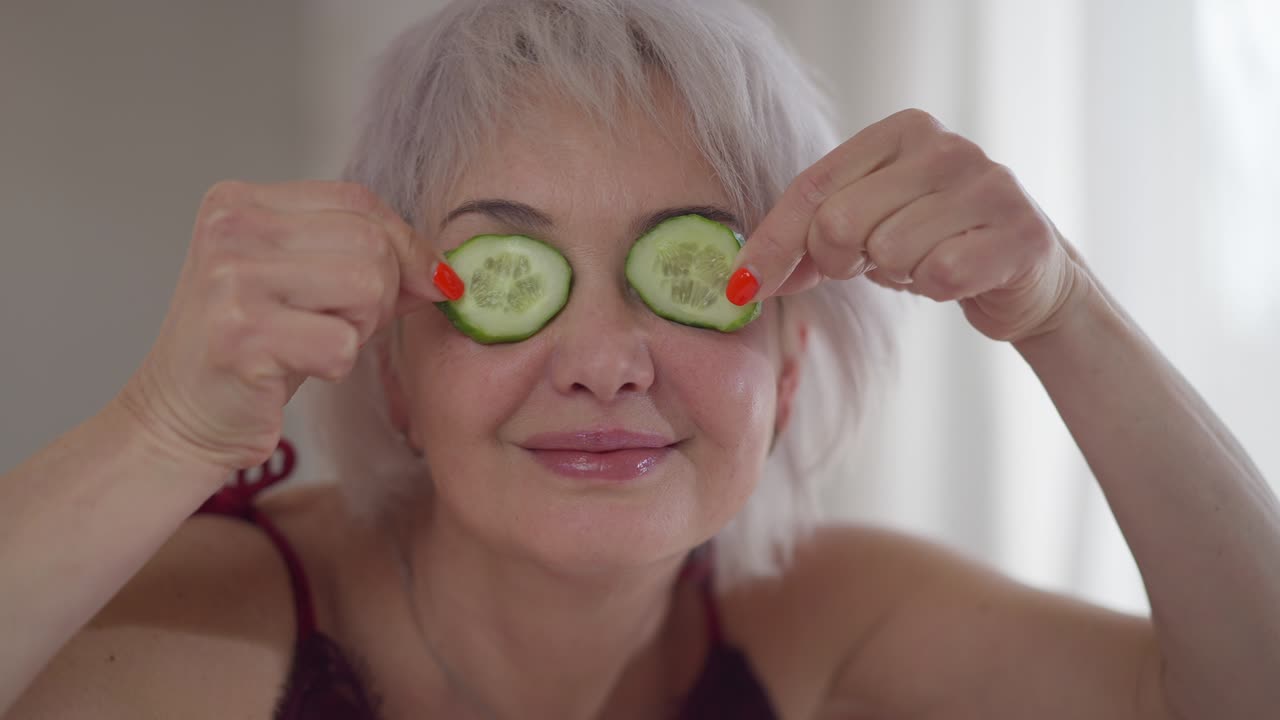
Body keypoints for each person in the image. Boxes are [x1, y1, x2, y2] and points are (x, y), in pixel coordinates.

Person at [3, 0, 1277, 718]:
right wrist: (164, 428)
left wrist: (1061, 307)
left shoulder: (834, 624)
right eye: (509, 274)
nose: (607, 361)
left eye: (692, 280)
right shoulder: (206, 624)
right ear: (394, 371)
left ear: (784, 372)